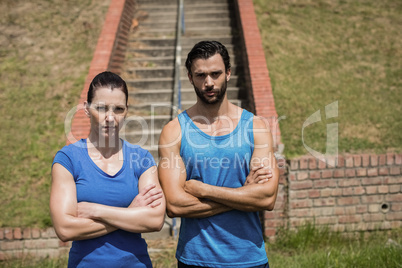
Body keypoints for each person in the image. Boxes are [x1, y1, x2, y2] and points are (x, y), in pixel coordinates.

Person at [158, 40, 279, 267]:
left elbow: (267, 198)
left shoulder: (255, 126)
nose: (209, 83)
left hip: (248, 259)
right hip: (195, 259)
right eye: (201, 75)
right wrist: (244, 195)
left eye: (216, 73)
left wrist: (204, 190)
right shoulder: (174, 131)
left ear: (229, 73)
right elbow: (175, 205)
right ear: (190, 77)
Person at [50, 71, 165, 267]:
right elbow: (65, 229)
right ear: (87, 109)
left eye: (118, 109)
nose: (110, 117)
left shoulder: (141, 159)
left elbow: (154, 220)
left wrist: (96, 210)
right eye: (101, 108)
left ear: (127, 111)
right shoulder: (68, 159)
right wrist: (129, 212)